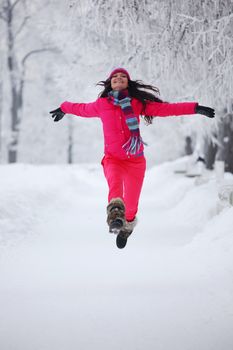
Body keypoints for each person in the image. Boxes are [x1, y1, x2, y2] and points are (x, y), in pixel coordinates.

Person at [50, 67, 215, 249]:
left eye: (123, 77)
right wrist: (64, 108)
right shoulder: (101, 104)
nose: (119, 78)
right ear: (110, 83)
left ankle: (126, 226)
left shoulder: (137, 103)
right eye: (115, 77)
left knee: (131, 206)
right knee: (115, 187)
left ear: (127, 83)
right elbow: (80, 108)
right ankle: (114, 217)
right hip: (113, 159)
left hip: (135, 161)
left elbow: (165, 109)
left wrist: (195, 108)